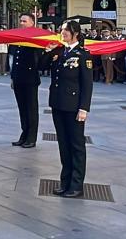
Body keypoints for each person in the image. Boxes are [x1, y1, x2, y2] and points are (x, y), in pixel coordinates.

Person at [49, 20, 93, 198]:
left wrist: (84, 108)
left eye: (66, 30)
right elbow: (42, 66)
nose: (63, 33)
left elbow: (87, 84)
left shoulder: (83, 54)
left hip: (74, 106)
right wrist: (48, 51)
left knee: (76, 145)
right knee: (63, 145)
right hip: (58, 104)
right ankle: (65, 181)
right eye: (62, 30)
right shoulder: (60, 51)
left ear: (75, 33)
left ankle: (76, 184)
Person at [9, 13, 41, 148]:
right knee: (22, 109)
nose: (22, 23)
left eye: (25, 21)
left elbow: (38, 59)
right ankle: (24, 135)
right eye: (21, 21)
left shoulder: (35, 38)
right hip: (18, 78)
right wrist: (13, 77)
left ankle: (31, 138)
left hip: (30, 79)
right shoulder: (17, 38)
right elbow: (13, 59)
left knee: (31, 109)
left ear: (32, 23)